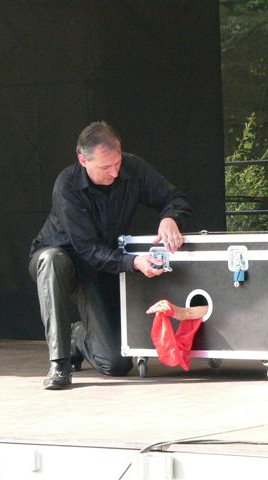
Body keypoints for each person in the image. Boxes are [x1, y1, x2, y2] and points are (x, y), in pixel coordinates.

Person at [28, 121, 192, 390]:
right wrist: (133, 261)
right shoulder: (67, 184)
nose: (115, 172)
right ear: (83, 160)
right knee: (52, 260)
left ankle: (78, 337)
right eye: (105, 167)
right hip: (63, 260)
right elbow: (85, 249)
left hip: (99, 267)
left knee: (116, 363)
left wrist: (169, 218)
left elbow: (175, 198)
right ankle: (59, 362)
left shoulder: (133, 167)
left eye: (117, 163)